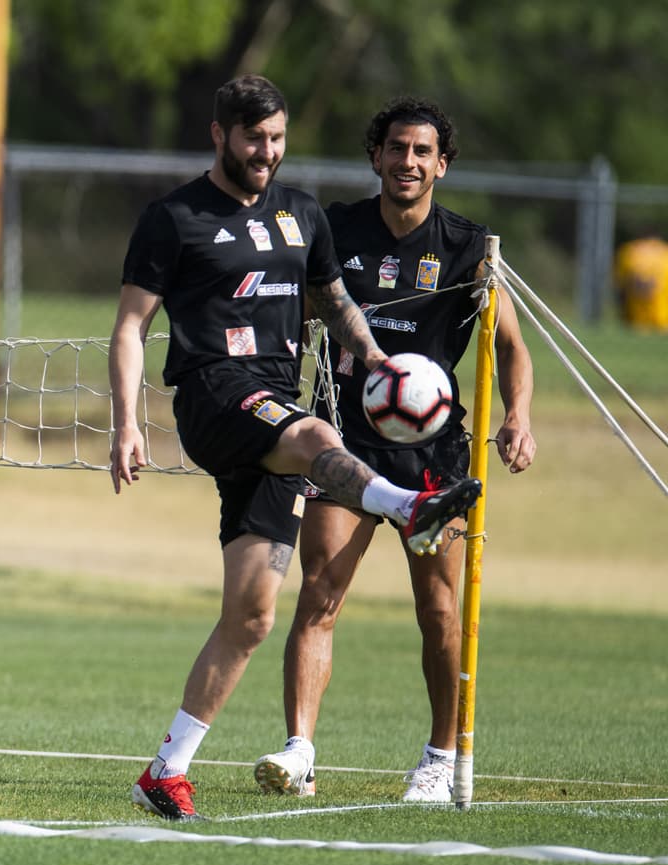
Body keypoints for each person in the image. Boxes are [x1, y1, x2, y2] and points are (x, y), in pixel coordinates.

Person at [110, 76, 482, 821]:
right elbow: (129, 326)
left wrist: (377, 361)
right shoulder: (173, 217)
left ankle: (165, 767)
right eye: (254, 139)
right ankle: (409, 507)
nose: (267, 152)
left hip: (273, 410)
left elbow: (337, 305)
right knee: (318, 434)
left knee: (251, 612)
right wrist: (127, 421)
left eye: (277, 139)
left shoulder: (302, 214)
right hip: (219, 394)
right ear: (220, 135)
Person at [252, 97, 536, 803]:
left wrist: (519, 415)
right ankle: (299, 752)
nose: (407, 162)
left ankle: (439, 758)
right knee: (318, 592)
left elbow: (511, 348)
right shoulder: (336, 229)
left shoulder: (472, 248)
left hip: (434, 457)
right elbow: (292, 305)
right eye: (395, 149)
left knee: (440, 610)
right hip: (343, 444)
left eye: (421, 152)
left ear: (441, 164)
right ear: (375, 156)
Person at [613, 233, 668, 332]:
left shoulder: (629, 251)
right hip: (658, 310)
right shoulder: (663, 251)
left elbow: (623, 281)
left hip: (638, 306)